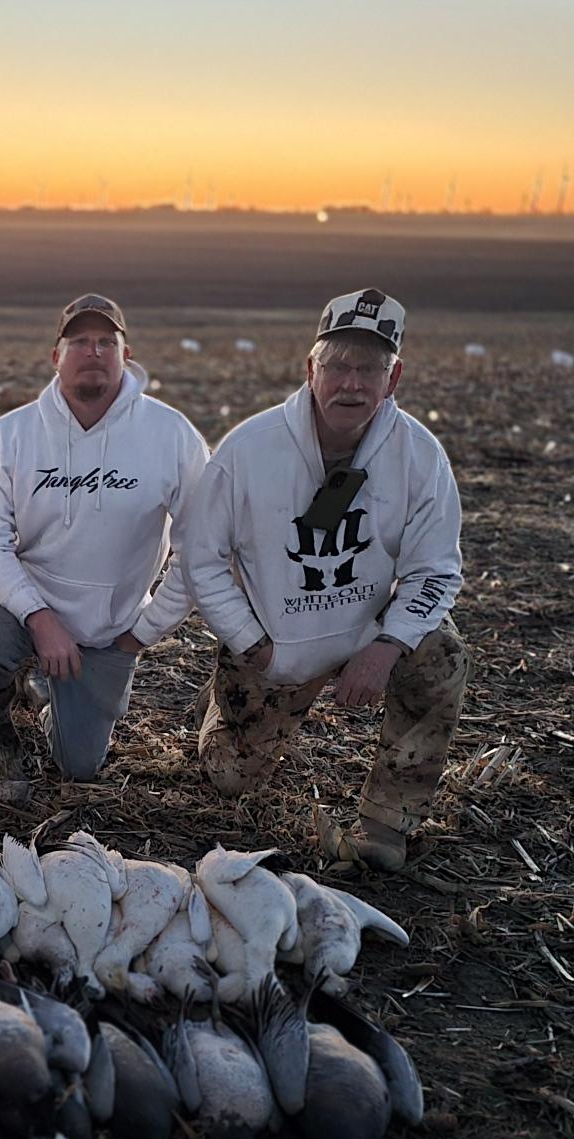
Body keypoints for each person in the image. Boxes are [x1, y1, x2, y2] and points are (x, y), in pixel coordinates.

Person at [184, 288, 468, 872]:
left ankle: (387, 823)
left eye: (370, 369)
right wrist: (248, 640)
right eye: (338, 365)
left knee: (441, 656)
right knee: (232, 781)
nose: (352, 383)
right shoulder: (248, 450)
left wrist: (389, 645)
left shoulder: (420, 455)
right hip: (275, 643)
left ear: (394, 380)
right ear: (311, 368)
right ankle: (218, 712)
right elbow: (199, 557)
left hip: (367, 631)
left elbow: (436, 568)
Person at [0, 294, 210, 800]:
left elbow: (199, 552)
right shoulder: (13, 435)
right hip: (32, 609)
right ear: (56, 355)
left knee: (79, 768)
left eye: (105, 341)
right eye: (78, 341)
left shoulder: (172, 436)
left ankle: (57, 695)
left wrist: (139, 634)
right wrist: (39, 617)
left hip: (111, 629)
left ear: (126, 353)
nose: (92, 351)